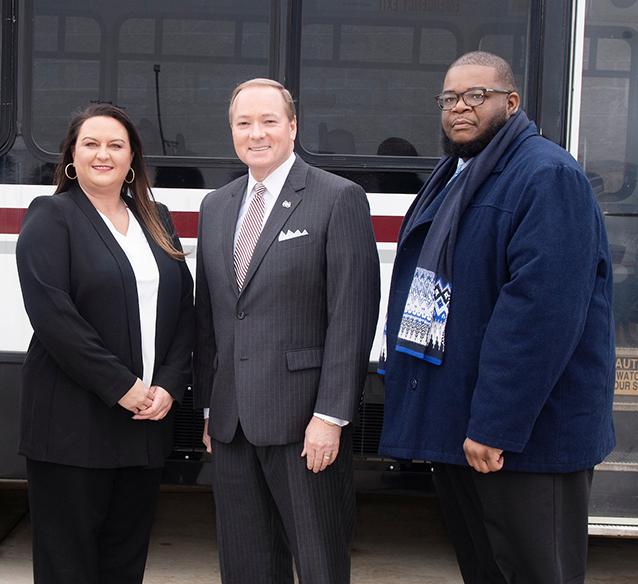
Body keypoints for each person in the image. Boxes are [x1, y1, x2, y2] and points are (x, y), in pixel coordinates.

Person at [378, 51, 615, 583]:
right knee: (486, 572)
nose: (460, 108)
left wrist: (495, 426)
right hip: (467, 430)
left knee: (532, 573)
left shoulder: (547, 176)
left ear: (510, 103)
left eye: (475, 96)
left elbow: (539, 318)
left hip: (526, 440)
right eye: (449, 99)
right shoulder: (459, 172)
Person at [193, 78, 380, 584]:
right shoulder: (216, 207)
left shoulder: (338, 198)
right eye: (243, 123)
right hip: (231, 424)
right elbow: (209, 317)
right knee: (246, 564)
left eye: (269, 121)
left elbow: (353, 317)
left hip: (304, 422)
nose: (256, 133)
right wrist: (210, 409)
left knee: (318, 562)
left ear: (293, 127)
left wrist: (331, 416)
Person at [15, 103, 194, 584]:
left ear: (132, 156)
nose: (103, 154)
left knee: (124, 562)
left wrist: (170, 387)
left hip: (144, 424)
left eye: (116, 145)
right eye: (91, 143)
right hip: (72, 427)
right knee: (68, 567)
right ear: (71, 156)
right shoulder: (52, 216)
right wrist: (122, 386)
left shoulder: (155, 217)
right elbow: (55, 318)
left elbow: (185, 310)